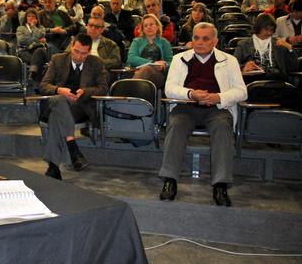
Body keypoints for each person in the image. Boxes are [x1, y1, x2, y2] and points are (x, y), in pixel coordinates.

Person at [159, 22, 247, 207]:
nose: (200, 42)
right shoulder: (179, 59)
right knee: (175, 125)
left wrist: (218, 97)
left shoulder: (228, 60)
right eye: (196, 38)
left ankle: (220, 185)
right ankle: (170, 180)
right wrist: (190, 94)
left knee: (223, 127)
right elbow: (169, 88)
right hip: (186, 107)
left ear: (215, 40)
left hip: (217, 109)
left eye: (205, 38)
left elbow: (242, 92)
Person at [39, 33, 108, 180]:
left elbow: (103, 88)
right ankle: (72, 146)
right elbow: (44, 85)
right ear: (72, 46)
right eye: (76, 51)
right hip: (58, 102)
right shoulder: (58, 59)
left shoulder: (96, 62)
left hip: (80, 106)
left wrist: (86, 91)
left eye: (83, 53)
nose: (78, 56)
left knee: (55, 117)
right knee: (59, 100)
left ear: (89, 52)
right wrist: (59, 90)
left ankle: (53, 166)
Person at [234, 13, 299, 83]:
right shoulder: (243, 44)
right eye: (266, 30)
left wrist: (290, 48)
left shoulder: (279, 43)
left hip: (278, 82)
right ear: (258, 27)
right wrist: (244, 67)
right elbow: (233, 66)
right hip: (253, 82)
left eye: (271, 30)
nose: (269, 33)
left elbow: (293, 67)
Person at [127, 13, 173, 88]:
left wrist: (164, 64)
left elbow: (170, 62)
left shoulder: (164, 42)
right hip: (136, 71)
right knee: (146, 69)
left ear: (157, 26)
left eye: (151, 24)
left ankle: (130, 93)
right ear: (143, 29)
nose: (148, 27)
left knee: (147, 69)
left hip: (158, 74)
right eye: (145, 26)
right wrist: (152, 63)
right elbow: (131, 58)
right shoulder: (137, 41)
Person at [17, 9, 48, 85]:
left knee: (39, 51)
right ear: (26, 18)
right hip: (24, 50)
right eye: (29, 16)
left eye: (33, 16)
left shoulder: (41, 28)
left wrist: (33, 27)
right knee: (39, 61)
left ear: (37, 18)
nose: (31, 18)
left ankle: (32, 74)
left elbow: (41, 34)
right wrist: (37, 40)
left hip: (37, 50)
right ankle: (37, 80)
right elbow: (21, 40)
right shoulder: (21, 28)